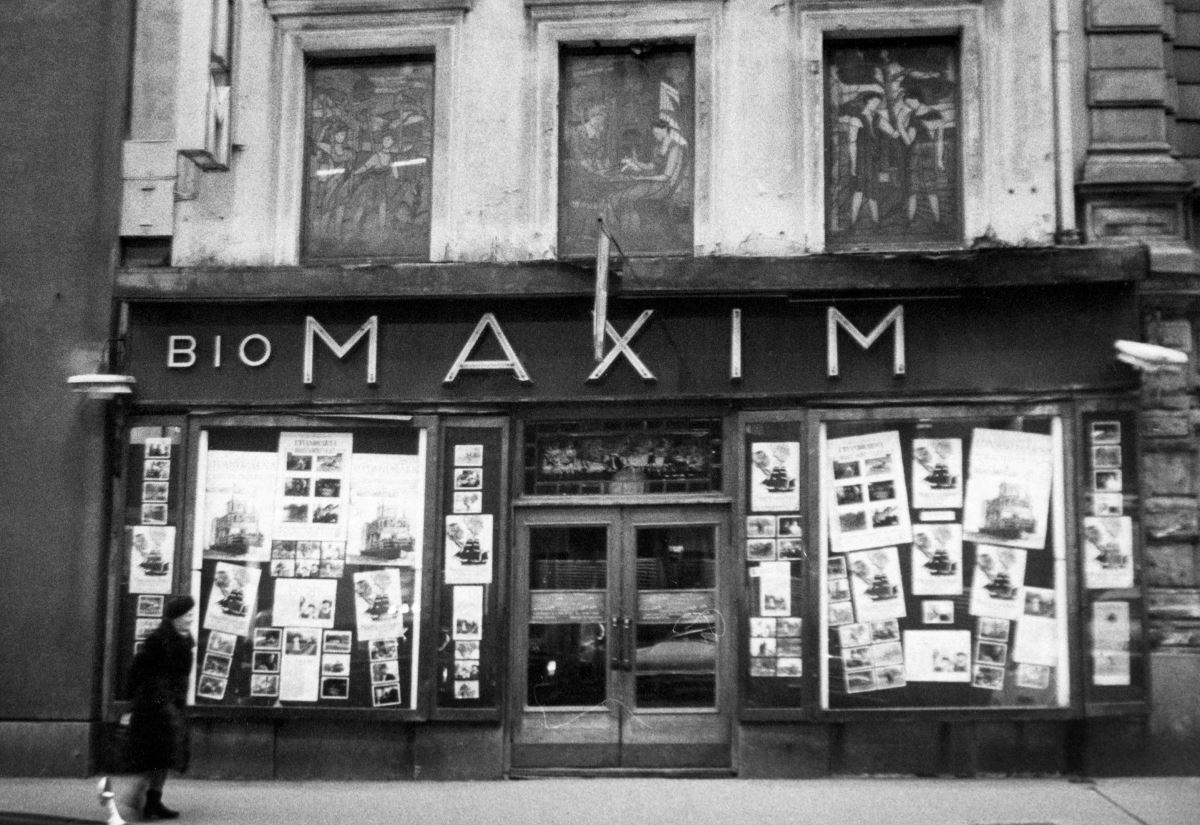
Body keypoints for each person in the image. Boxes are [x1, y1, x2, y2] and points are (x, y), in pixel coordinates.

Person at [126, 595, 195, 820]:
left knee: (165, 756)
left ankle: (153, 801)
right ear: (176, 617)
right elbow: (139, 672)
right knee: (157, 755)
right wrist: (159, 702)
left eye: (191, 614)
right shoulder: (158, 640)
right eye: (187, 615)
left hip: (172, 704)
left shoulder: (185, 640)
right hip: (155, 705)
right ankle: (141, 795)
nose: (190, 618)